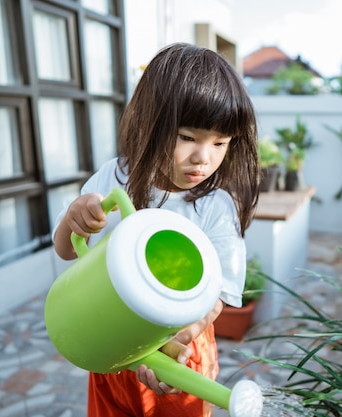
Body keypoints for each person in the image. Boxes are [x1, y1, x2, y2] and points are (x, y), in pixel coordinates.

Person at [52, 42, 260, 417]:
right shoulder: (113, 178)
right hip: (110, 341)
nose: (204, 157)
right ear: (151, 121)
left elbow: (218, 297)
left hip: (180, 353)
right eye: (188, 137)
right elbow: (66, 250)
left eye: (220, 143)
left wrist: (176, 341)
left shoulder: (214, 207)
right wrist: (74, 218)